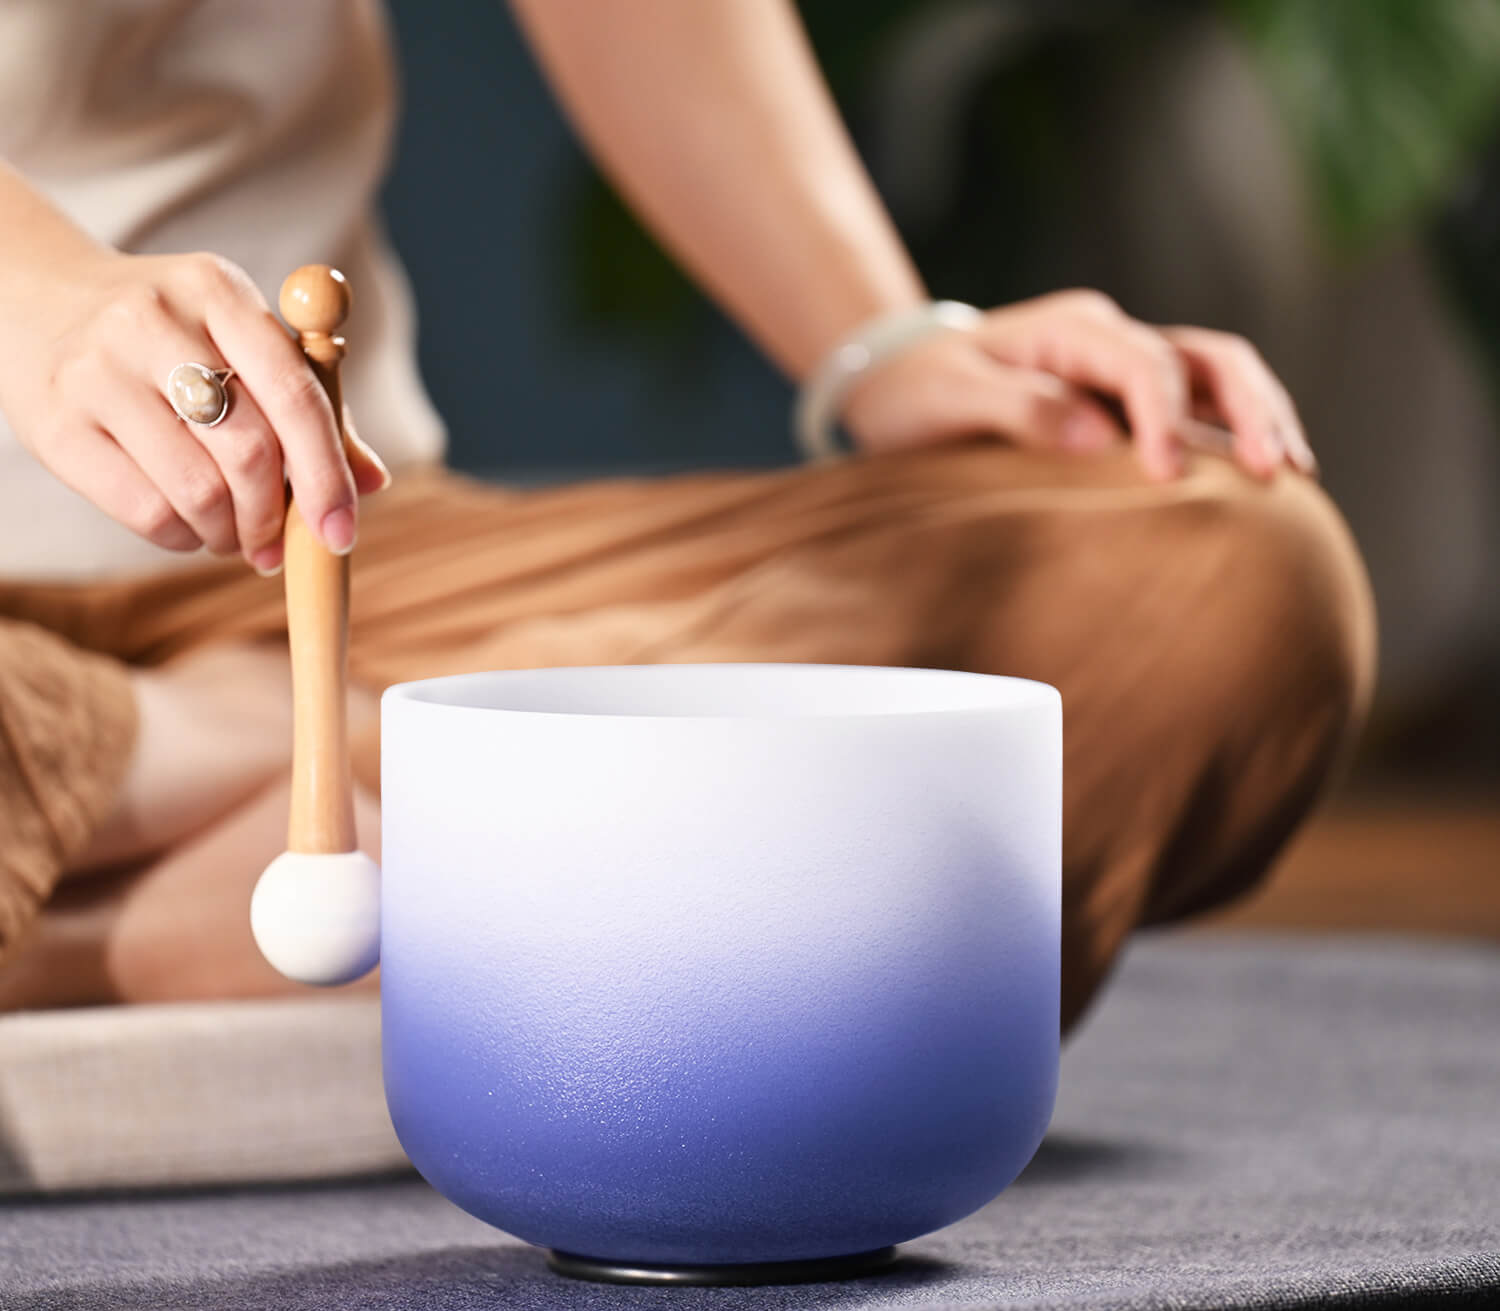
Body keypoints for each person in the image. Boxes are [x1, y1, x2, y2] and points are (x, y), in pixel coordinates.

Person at [0, 0, 1373, 1032]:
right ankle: (254, 806)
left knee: (1214, 566)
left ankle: (161, 819)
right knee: (830, 836)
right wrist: (41, 291)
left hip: (348, 554)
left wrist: (881, 343)